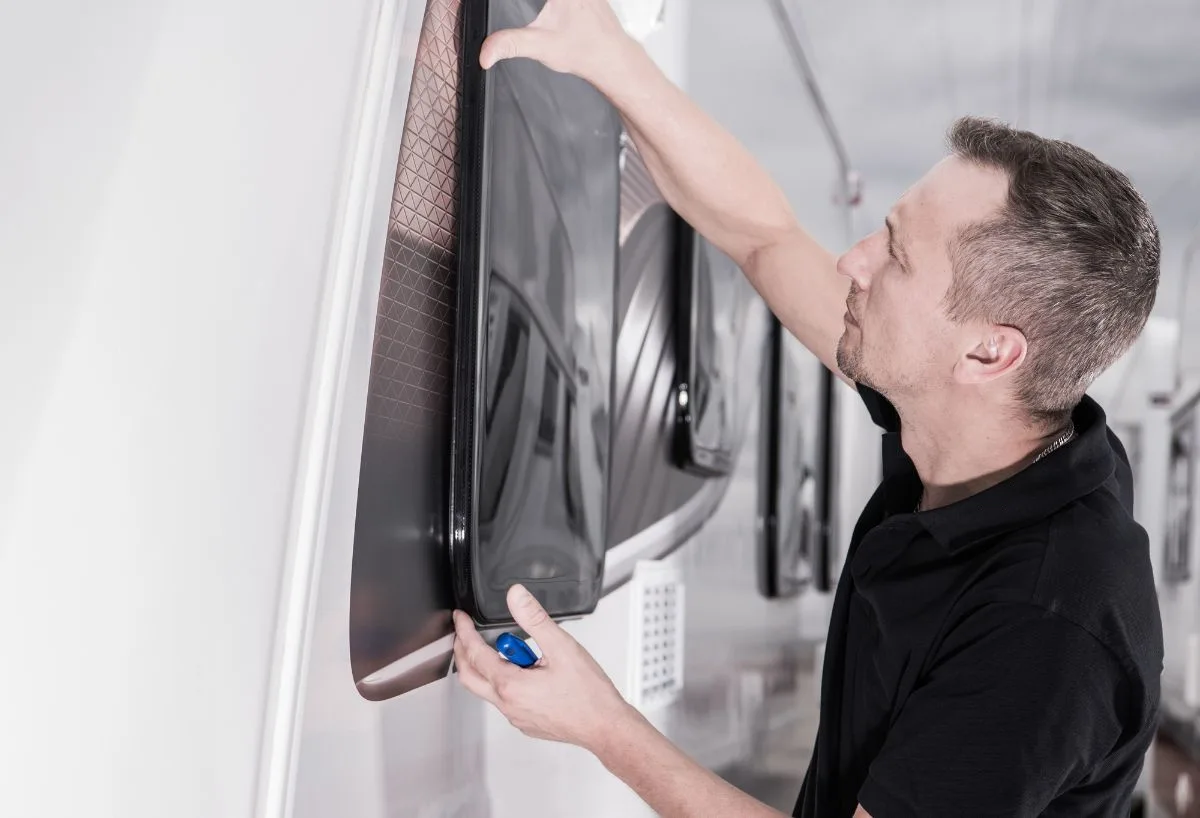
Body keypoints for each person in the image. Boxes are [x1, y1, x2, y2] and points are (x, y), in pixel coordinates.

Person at [450, 1, 1165, 815]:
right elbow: (763, 236)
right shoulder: (972, 423)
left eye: (894, 256)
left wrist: (604, 725)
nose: (854, 261)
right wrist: (611, 60)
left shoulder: (1049, 627)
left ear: (988, 353)